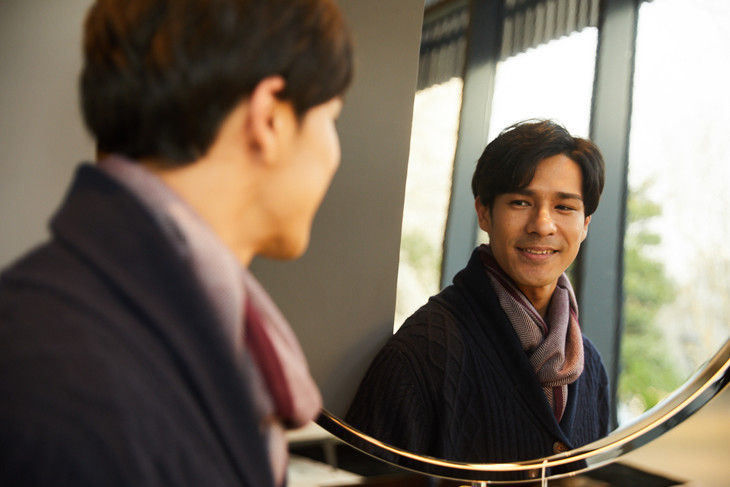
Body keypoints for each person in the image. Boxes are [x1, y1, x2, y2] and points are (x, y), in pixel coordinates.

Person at [0, 1, 352, 486]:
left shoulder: (88, 312)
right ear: (270, 117)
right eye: (331, 117)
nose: (335, 153)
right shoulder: (64, 370)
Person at [346, 119, 610, 466]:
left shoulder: (590, 366)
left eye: (565, 207)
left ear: (585, 224)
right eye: (521, 202)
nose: (542, 225)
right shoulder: (422, 352)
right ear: (484, 212)